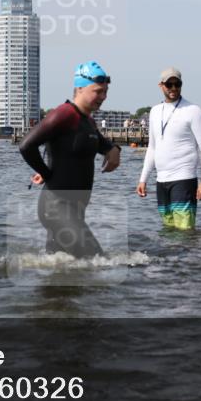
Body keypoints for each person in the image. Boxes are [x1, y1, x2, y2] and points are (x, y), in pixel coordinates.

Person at [20, 61, 121, 258]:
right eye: (98, 91)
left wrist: (114, 149)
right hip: (56, 206)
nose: (103, 97)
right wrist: (46, 173)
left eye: (105, 92)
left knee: (62, 271)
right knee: (97, 261)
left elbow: (103, 144)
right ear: (80, 88)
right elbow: (26, 146)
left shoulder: (88, 121)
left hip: (75, 209)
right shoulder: (65, 114)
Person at [136, 67, 201, 230]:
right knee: (168, 231)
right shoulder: (155, 111)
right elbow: (152, 148)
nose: (173, 88)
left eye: (177, 84)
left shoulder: (193, 111)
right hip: (161, 181)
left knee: (184, 231)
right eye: (169, 84)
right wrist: (143, 179)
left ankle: (189, 255)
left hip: (183, 179)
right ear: (160, 85)